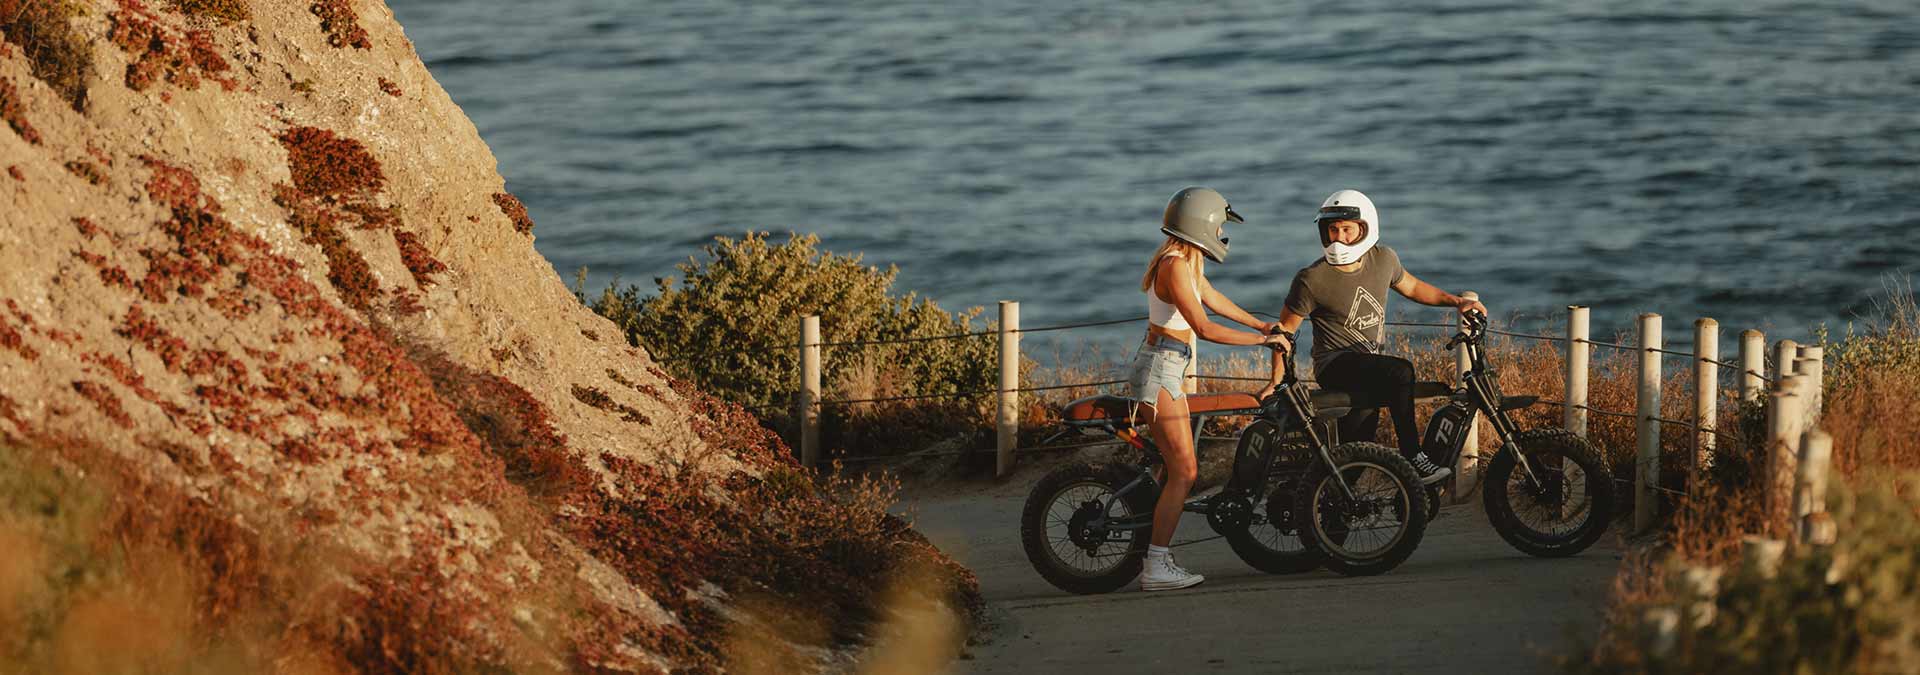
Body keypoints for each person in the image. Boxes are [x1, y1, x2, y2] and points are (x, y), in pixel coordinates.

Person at [1263, 189, 1487, 485]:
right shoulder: (1311, 279)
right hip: (1334, 365)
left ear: (1365, 228)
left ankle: (1327, 512)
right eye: (1332, 230)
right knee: (1401, 371)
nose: (1338, 237)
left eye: (1346, 229)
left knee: (1354, 456)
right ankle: (1413, 458)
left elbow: (1413, 287)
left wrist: (1456, 302)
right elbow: (1284, 332)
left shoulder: (1384, 259)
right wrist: (1275, 383)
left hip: (1369, 366)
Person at [1129, 187, 1291, 591]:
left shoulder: (1183, 260)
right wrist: (1261, 343)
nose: (1220, 231)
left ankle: (1154, 552)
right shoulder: (1174, 266)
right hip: (1161, 371)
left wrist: (1260, 325)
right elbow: (1202, 326)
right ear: (1200, 224)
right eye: (1218, 224)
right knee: (1185, 470)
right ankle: (1156, 566)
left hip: (1167, 366)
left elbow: (1213, 298)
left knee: (1175, 467)